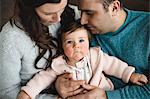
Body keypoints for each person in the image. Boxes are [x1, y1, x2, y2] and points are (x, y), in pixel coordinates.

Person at [18, 20, 147, 99]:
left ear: (88, 42)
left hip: (103, 91)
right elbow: (42, 78)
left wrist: (130, 75)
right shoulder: (59, 64)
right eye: (69, 42)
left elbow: (114, 65)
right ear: (62, 47)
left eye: (81, 41)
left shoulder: (95, 55)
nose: (76, 46)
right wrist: (27, 92)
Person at [55, 0, 150, 99]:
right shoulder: (78, 31)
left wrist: (107, 96)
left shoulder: (147, 26)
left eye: (89, 13)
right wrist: (58, 83)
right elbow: (60, 63)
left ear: (114, 8)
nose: (82, 20)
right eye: (81, 12)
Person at [0, 0, 81, 99]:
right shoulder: (11, 38)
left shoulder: (74, 13)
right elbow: (7, 93)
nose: (58, 19)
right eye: (48, 13)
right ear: (29, 9)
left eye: (61, 9)